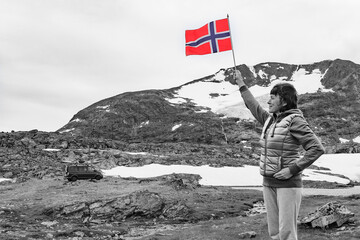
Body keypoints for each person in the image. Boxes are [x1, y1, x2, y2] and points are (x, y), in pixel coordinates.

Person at [235, 70, 325, 240]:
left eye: (272, 97)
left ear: (283, 101)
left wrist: (292, 170)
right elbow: (253, 106)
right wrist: (241, 84)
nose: (268, 101)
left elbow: (316, 148)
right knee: (275, 233)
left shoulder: (295, 120)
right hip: (268, 182)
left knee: (287, 233)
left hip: (288, 184)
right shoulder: (270, 120)